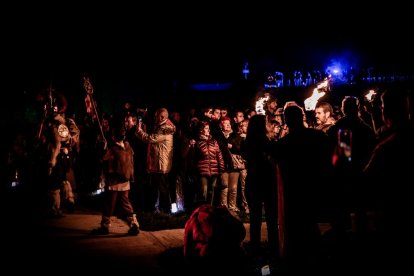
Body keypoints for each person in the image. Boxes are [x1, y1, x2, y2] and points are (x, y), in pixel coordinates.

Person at [92, 125, 140, 235]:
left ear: (114, 137)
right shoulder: (129, 146)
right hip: (125, 180)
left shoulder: (112, 149)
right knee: (125, 203)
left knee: (109, 204)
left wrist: (103, 147)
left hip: (114, 181)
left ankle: (105, 226)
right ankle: (134, 224)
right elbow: (131, 163)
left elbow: (103, 159)